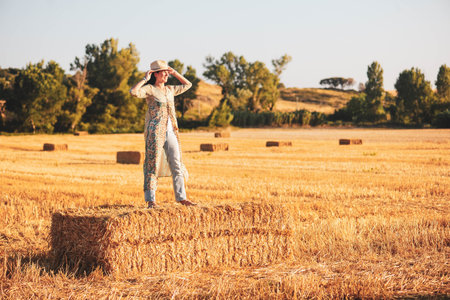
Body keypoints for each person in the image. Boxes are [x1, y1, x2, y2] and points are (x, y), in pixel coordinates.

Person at [130, 60, 196, 208]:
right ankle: (151, 200)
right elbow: (133, 92)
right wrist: (145, 79)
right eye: (163, 72)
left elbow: (188, 85)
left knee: (177, 164)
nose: (166, 74)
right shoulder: (149, 89)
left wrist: (175, 73)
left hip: (172, 132)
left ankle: (181, 198)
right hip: (155, 132)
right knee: (152, 165)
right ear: (156, 74)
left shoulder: (170, 89)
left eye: (167, 71)